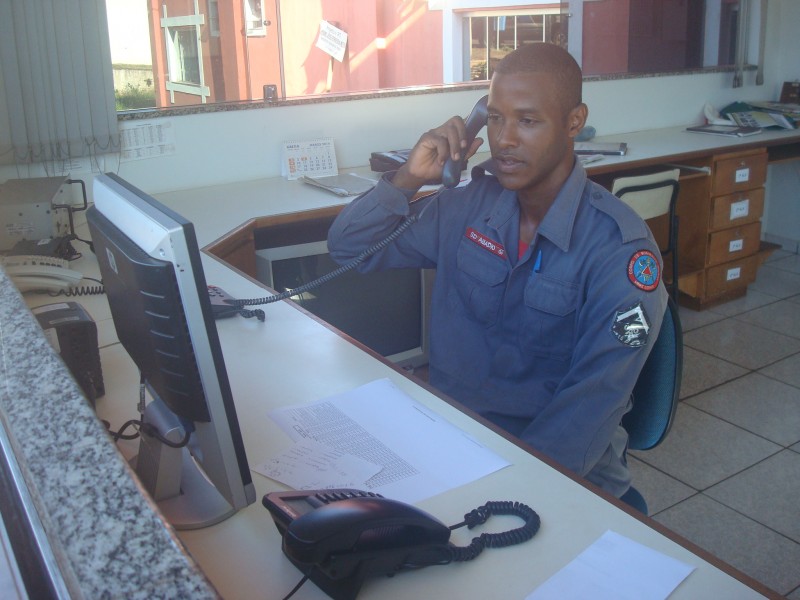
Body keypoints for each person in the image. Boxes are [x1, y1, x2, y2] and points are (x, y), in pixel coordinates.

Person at [327, 42, 667, 499]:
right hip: (456, 440)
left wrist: (503, 492)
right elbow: (349, 247)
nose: (504, 139)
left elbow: (586, 413)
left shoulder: (618, 250)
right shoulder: (465, 208)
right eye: (494, 118)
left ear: (573, 121)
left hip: (557, 473)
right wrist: (408, 177)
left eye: (527, 121)